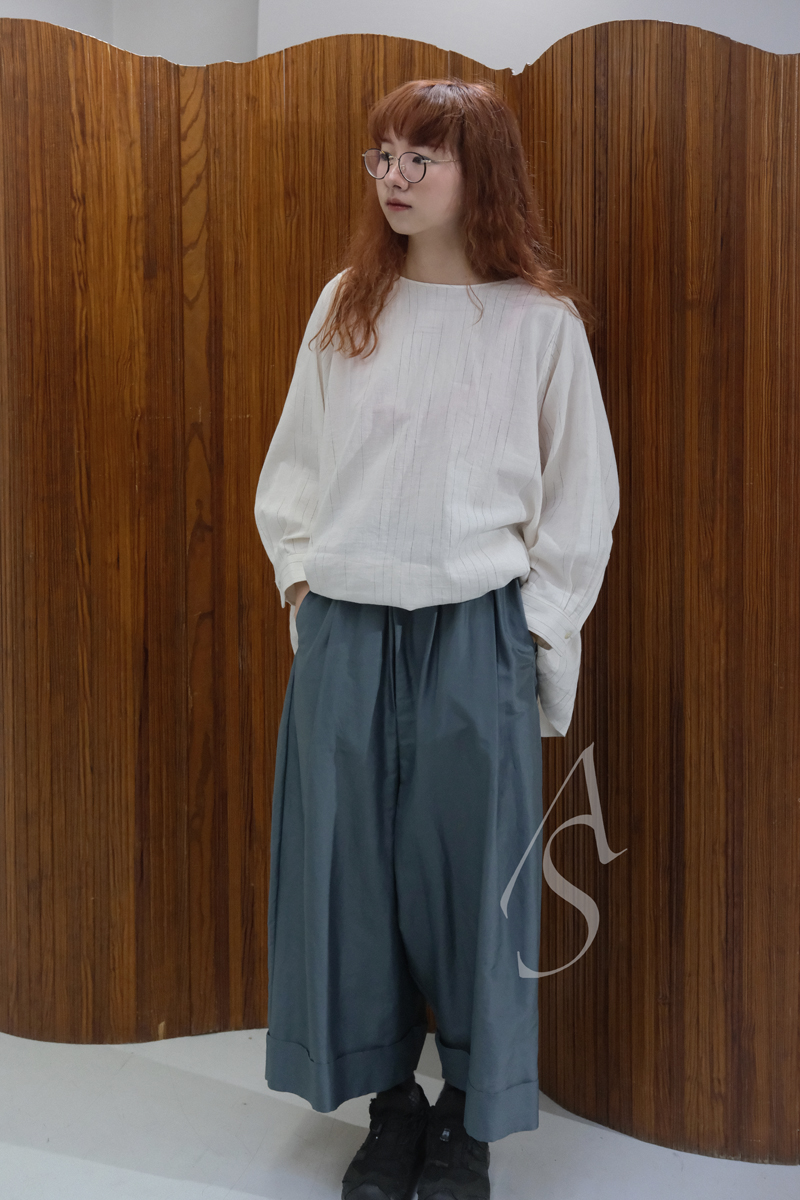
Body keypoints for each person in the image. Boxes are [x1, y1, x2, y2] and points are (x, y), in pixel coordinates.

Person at [254, 77, 619, 1200]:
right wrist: (304, 587)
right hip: (348, 629)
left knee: (479, 888)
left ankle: (467, 1117)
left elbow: (581, 501)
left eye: (422, 157)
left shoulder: (538, 325)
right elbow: (296, 466)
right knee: (344, 876)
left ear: (481, 172)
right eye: (382, 155)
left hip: (475, 633)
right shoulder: (346, 306)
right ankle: (390, 1107)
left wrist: (529, 638)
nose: (395, 177)